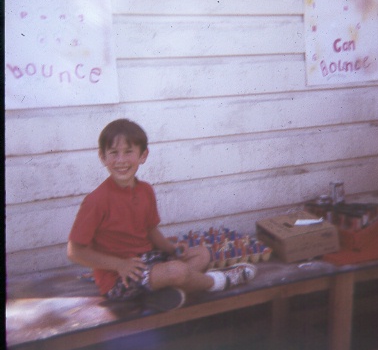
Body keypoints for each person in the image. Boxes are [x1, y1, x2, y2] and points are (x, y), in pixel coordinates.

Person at [68, 119, 256, 312]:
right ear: (103, 157)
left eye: (128, 152)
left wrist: (171, 249)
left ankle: (160, 293)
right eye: (114, 153)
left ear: (143, 155)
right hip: (119, 278)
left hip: (148, 260)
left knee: (202, 254)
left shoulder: (145, 190)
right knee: (177, 271)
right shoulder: (96, 200)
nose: (121, 160)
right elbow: (75, 251)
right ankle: (219, 281)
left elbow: (150, 230)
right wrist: (120, 265)